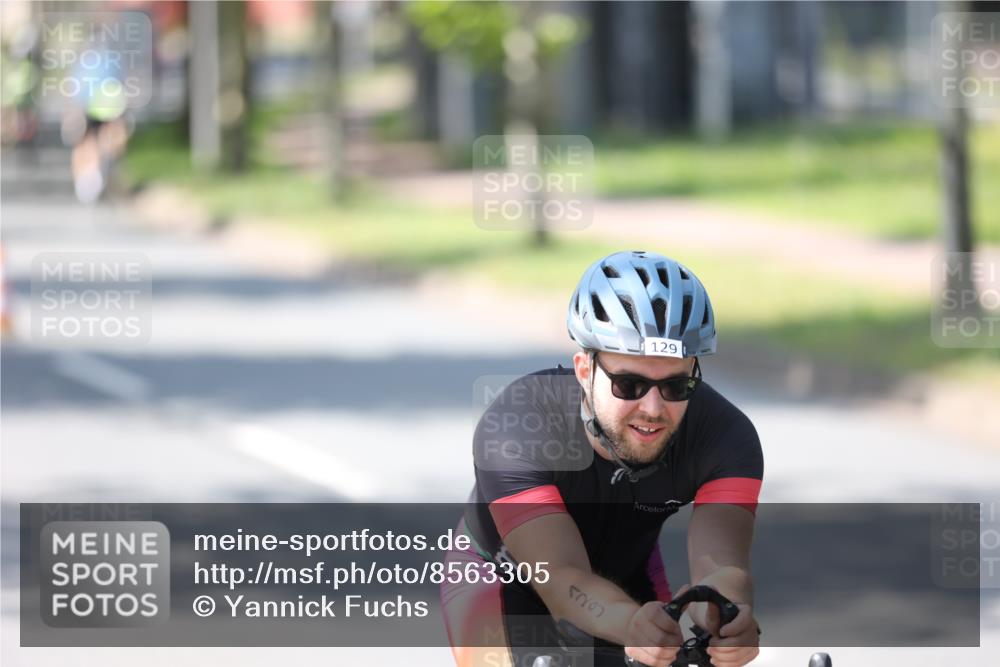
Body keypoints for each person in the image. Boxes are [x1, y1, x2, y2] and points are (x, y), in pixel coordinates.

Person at [441, 250, 763, 667]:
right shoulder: (519, 423)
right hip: (504, 578)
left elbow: (723, 567)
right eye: (629, 384)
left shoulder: (725, 436)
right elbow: (560, 579)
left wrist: (724, 613)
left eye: (677, 385)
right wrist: (633, 626)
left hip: (629, 579)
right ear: (583, 370)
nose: (652, 407)